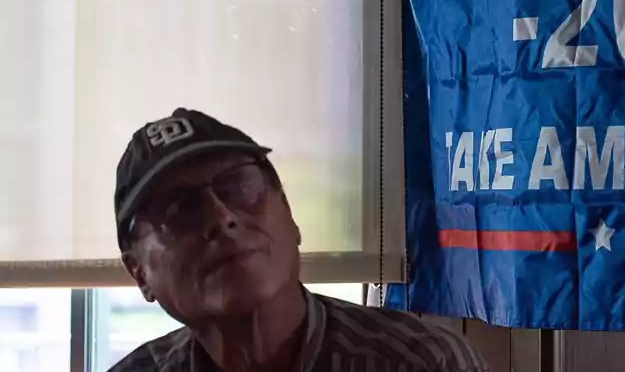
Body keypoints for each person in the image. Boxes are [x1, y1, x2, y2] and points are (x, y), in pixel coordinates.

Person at [110, 108, 488, 372]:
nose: (221, 218)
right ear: (138, 272)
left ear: (291, 218)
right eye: (177, 211)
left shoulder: (419, 362)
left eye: (240, 187)